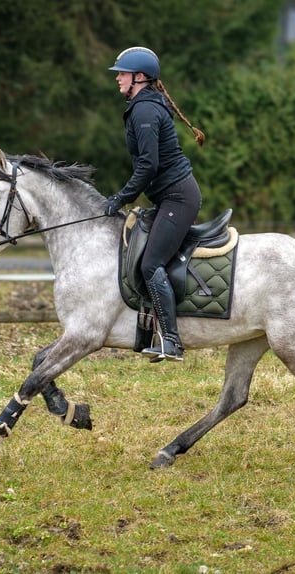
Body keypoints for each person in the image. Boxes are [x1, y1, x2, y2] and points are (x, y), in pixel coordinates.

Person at [104, 46, 206, 362]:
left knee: (150, 264)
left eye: (122, 73)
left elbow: (148, 165)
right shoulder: (143, 106)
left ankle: (171, 341)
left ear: (139, 77)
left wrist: (121, 198)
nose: (118, 78)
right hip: (169, 196)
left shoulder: (145, 110)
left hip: (178, 197)